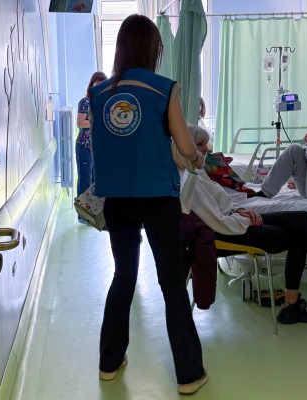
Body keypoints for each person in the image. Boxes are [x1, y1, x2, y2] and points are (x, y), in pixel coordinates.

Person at [89, 15, 208, 395]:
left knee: (123, 276)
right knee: (171, 283)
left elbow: (103, 147)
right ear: (153, 48)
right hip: (158, 198)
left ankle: (109, 363)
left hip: (118, 200)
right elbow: (186, 146)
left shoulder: (98, 94)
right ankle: (189, 375)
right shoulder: (163, 89)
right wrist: (197, 159)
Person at [174, 124, 307, 325]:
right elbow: (215, 220)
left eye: (205, 143)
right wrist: (244, 218)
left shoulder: (195, 171)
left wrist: (240, 210)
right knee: (299, 234)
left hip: (232, 222)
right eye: (200, 144)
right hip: (225, 232)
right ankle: (297, 301)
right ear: (184, 147)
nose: (206, 149)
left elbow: (220, 202)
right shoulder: (188, 179)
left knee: (302, 219)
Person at [75, 71, 107, 223]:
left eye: (102, 83)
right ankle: (83, 216)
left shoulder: (106, 101)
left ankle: (93, 214)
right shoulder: (85, 101)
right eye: (96, 83)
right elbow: (80, 123)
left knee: (96, 181)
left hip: (99, 147)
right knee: (85, 180)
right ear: (92, 84)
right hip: (84, 145)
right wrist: (97, 121)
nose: (99, 85)